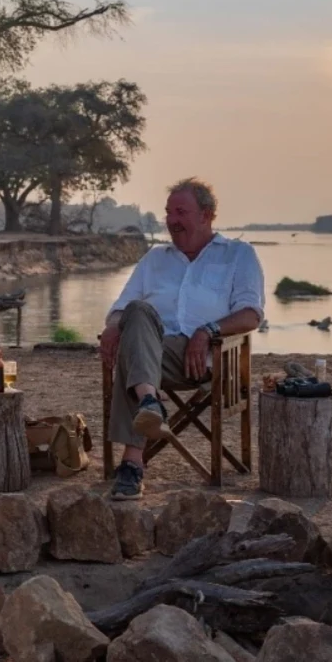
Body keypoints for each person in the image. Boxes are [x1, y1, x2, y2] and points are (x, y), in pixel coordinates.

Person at [99, 179, 264, 501]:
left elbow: (251, 314)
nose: (172, 220)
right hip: (152, 351)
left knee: (132, 358)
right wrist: (113, 326)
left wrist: (208, 331)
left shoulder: (237, 255)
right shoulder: (155, 258)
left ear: (207, 215)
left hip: (206, 358)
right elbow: (120, 309)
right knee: (137, 313)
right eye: (168, 212)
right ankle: (148, 404)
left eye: (181, 212)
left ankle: (134, 458)